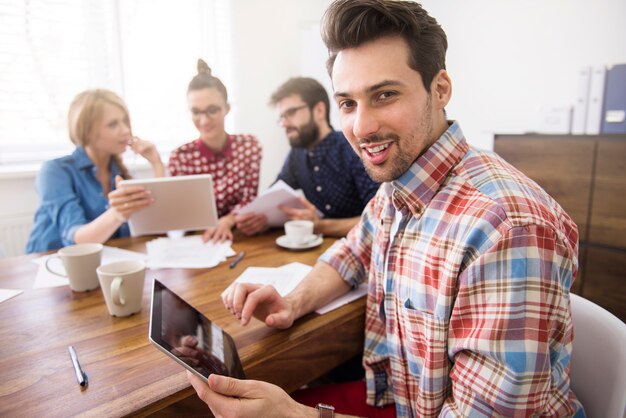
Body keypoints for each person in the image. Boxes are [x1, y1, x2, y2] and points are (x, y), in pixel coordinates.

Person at [188, 1, 585, 417]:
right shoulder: (400, 184)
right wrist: (293, 301)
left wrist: (293, 416)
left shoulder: (507, 231)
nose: (361, 127)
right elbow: (352, 253)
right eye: (348, 103)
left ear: (441, 88)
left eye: (384, 95)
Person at [235, 77, 379, 238]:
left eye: (290, 113)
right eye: (281, 117)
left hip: (364, 253)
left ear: (319, 110)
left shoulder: (353, 150)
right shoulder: (297, 155)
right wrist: (260, 219)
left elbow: (379, 219)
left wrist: (320, 226)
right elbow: (272, 197)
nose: (284, 124)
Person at [26, 89, 164, 253]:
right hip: (51, 265)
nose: (126, 130)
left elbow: (156, 225)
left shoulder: (120, 173)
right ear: (87, 131)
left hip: (102, 263)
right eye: (113, 124)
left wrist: (156, 163)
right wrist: (117, 214)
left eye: (125, 121)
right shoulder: (54, 172)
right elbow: (77, 241)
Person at [168, 59, 262, 242]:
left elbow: (249, 199)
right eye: (196, 112)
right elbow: (182, 212)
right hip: (198, 241)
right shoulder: (180, 158)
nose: (204, 121)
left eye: (212, 110)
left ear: (227, 108)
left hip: (240, 236)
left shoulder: (249, 146)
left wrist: (228, 220)